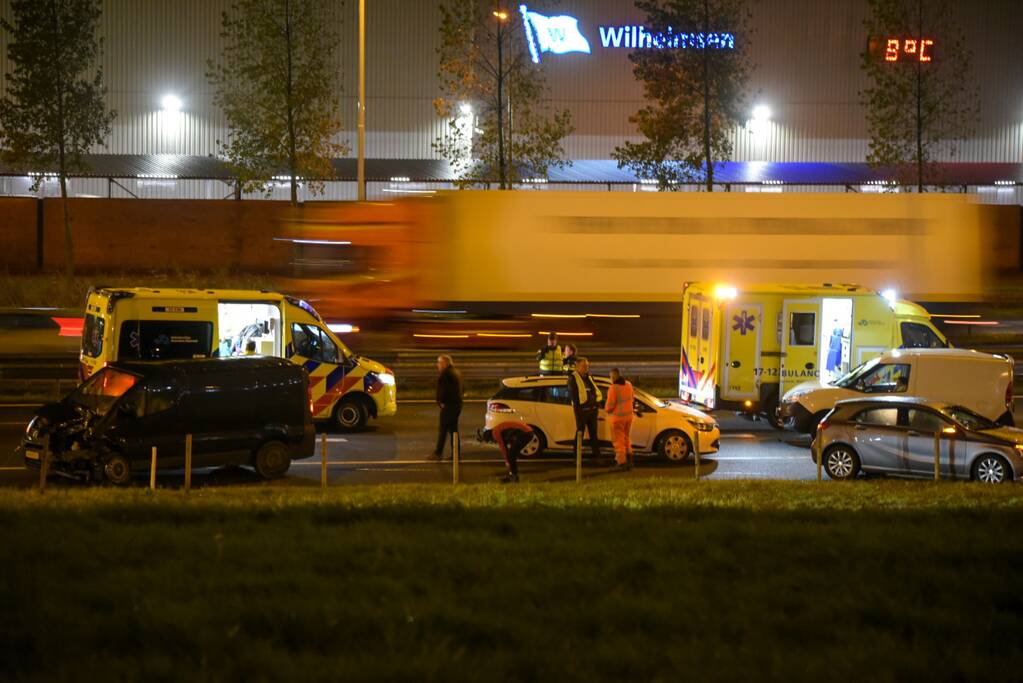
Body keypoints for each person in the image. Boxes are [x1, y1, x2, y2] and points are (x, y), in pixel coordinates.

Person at [427, 355, 463, 461]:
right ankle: (456, 454)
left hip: (449, 406)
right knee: (453, 430)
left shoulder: (445, 374)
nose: (437, 365)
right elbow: (463, 389)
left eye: (439, 362)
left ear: (445, 363)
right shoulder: (456, 372)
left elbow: (444, 391)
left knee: (443, 430)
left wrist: (441, 402)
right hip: (457, 405)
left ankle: (438, 453)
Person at [568, 357, 604, 461]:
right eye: (584, 366)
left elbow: (594, 391)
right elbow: (573, 396)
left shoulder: (589, 377)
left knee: (594, 434)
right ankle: (576, 457)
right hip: (582, 411)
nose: (586, 368)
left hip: (592, 410)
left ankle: (597, 456)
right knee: (580, 434)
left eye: (587, 366)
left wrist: (596, 405)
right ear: (578, 367)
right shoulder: (573, 378)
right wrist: (578, 410)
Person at [605, 368, 635, 471]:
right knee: (626, 438)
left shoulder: (613, 388)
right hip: (629, 417)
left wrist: (607, 410)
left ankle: (621, 463)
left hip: (618, 418)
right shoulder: (628, 384)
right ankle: (630, 459)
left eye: (611, 377)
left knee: (618, 442)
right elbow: (632, 398)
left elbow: (609, 407)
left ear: (613, 377)